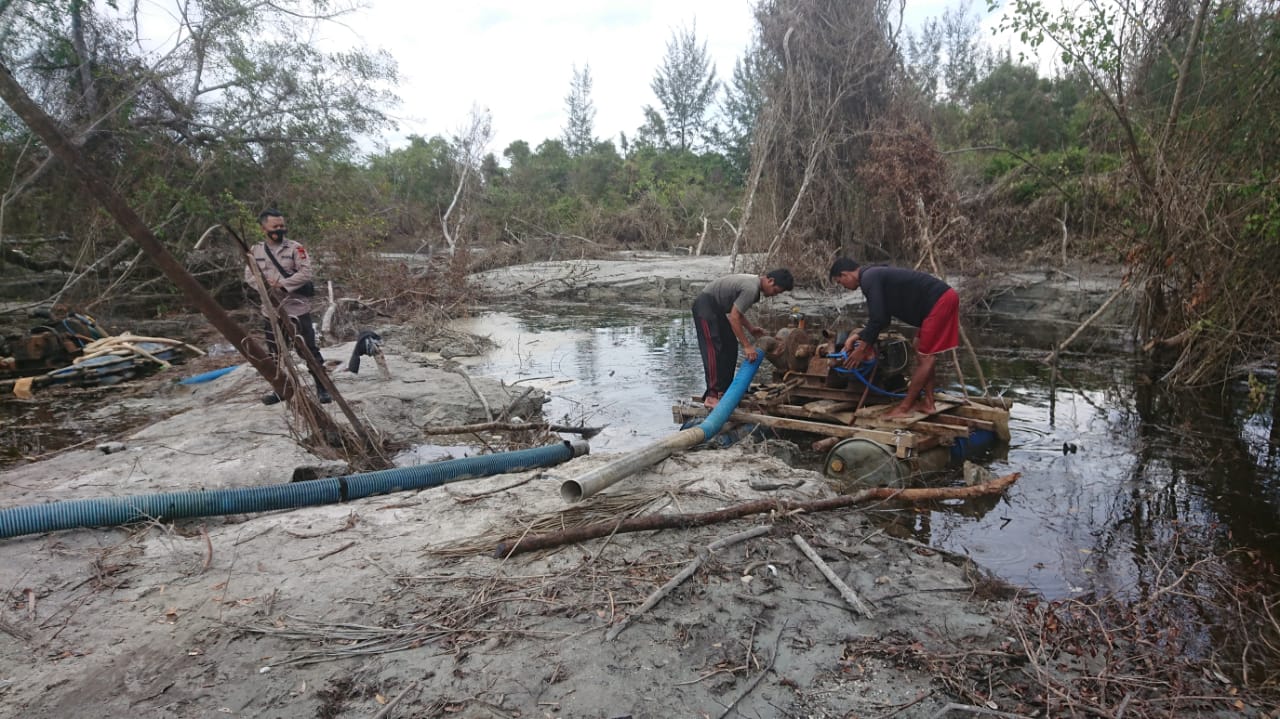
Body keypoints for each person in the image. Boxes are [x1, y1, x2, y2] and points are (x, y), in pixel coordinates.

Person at [828, 257, 959, 418]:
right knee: (919, 347)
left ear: (845, 274)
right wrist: (857, 336)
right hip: (939, 301)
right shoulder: (873, 275)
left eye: (840, 282)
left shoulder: (869, 278)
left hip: (939, 301)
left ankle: (904, 408)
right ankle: (929, 403)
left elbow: (877, 319)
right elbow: (883, 319)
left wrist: (862, 348)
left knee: (926, 357)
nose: (844, 286)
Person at [245, 209, 330, 405]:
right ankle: (281, 390)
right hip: (271, 312)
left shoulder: (295, 248)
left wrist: (283, 284)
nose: (279, 229)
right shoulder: (255, 251)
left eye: (281, 226)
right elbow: (249, 275)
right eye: (275, 226)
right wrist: (264, 286)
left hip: (297, 309)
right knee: (275, 354)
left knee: (309, 351)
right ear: (263, 228)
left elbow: (306, 272)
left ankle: (322, 387)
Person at [692, 269, 794, 408]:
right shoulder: (751, 288)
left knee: (730, 345)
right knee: (713, 350)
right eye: (775, 291)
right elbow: (734, 318)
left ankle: (724, 390)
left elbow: (737, 312)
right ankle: (712, 396)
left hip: (717, 310)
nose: (773, 295)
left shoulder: (754, 285)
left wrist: (751, 328)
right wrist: (747, 345)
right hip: (705, 306)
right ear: (770, 281)